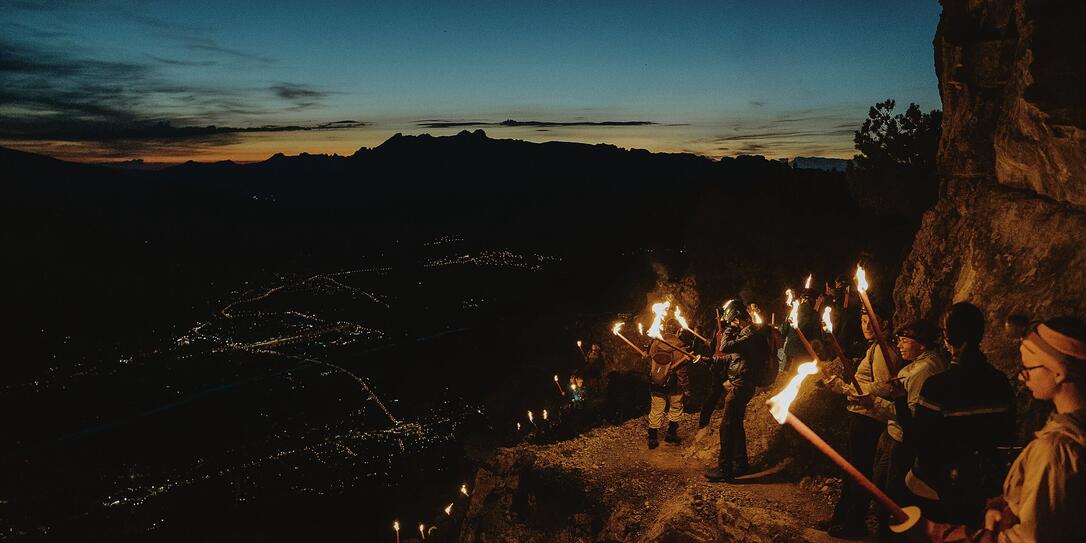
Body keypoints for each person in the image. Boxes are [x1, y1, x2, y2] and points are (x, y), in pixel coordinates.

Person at [921, 316, 1086, 543]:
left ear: (1058, 372)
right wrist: (1008, 505)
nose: (1021, 375)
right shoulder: (1071, 427)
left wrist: (937, 534)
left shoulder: (1054, 450)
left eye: (1028, 367)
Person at [908, 303, 1016, 526]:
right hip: (984, 486)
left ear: (947, 339)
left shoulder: (938, 386)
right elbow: (1005, 435)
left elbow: (920, 441)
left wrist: (902, 401)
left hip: (941, 488)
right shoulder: (999, 382)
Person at [815, 308, 895, 539]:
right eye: (863, 321)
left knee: (859, 471)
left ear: (885, 323)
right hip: (860, 414)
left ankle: (853, 522)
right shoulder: (873, 348)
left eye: (872, 321)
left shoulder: (882, 350)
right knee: (850, 469)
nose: (866, 326)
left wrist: (845, 388)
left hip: (869, 419)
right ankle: (842, 516)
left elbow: (884, 387)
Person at [869, 319, 948, 536]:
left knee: (891, 496)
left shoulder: (924, 370)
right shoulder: (918, 364)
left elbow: (911, 416)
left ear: (921, 344)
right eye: (898, 341)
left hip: (903, 440)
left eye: (904, 341)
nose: (900, 346)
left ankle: (887, 536)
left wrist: (874, 403)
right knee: (880, 486)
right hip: (893, 433)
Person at [705, 301, 771, 482]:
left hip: (741, 385)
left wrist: (727, 330)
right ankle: (740, 463)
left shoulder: (750, 334)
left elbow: (725, 347)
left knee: (726, 425)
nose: (729, 323)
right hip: (741, 383)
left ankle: (724, 468)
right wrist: (708, 360)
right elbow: (732, 358)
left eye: (731, 319)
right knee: (735, 424)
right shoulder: (745, 334)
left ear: (737, 317)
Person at [646, 319, 690, 449]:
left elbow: (650, 363)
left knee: (656, 409)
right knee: (676, 407)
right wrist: (686, 388)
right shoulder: (679, 347)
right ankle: (671, 434)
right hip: (674, 384)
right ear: (678, 331)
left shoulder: (655, 343)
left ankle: (653, 438)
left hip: (657, 382)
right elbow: (682, 371)